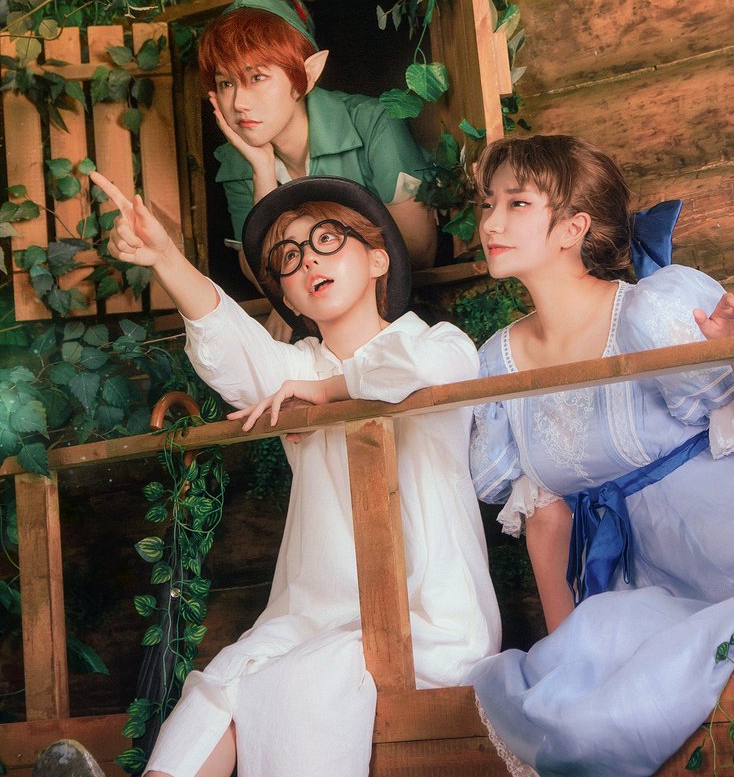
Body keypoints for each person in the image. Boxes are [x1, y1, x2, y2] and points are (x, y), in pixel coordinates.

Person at [51, 170, 500, 777]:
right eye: (289, 256)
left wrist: (326, 392)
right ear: (290, 301)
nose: (307, 258)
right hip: (310, 618)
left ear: (377, 260)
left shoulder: (438, 343)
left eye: (327, 239)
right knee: (219, 686)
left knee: (298, 681)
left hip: (430, 621)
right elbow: (232, 350)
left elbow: (419, 371)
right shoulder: (293, 371)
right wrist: (165, 258)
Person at [468, 134, 734, 777]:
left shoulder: (650, 309)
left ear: (572, 228)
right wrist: (567, 653)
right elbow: (546, 518)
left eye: (517, 203)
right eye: (487, 203)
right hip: (639, 585)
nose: (491, 223)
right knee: (568, 711)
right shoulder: (496, 362)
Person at [198, 0, 437, 274]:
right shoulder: (237, 158)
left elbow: (418, 252)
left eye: (257, 77)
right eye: (226, 83)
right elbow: (262, 276)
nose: (239, 103)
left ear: (308, 74)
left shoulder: (373, 123)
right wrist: (262, 171)